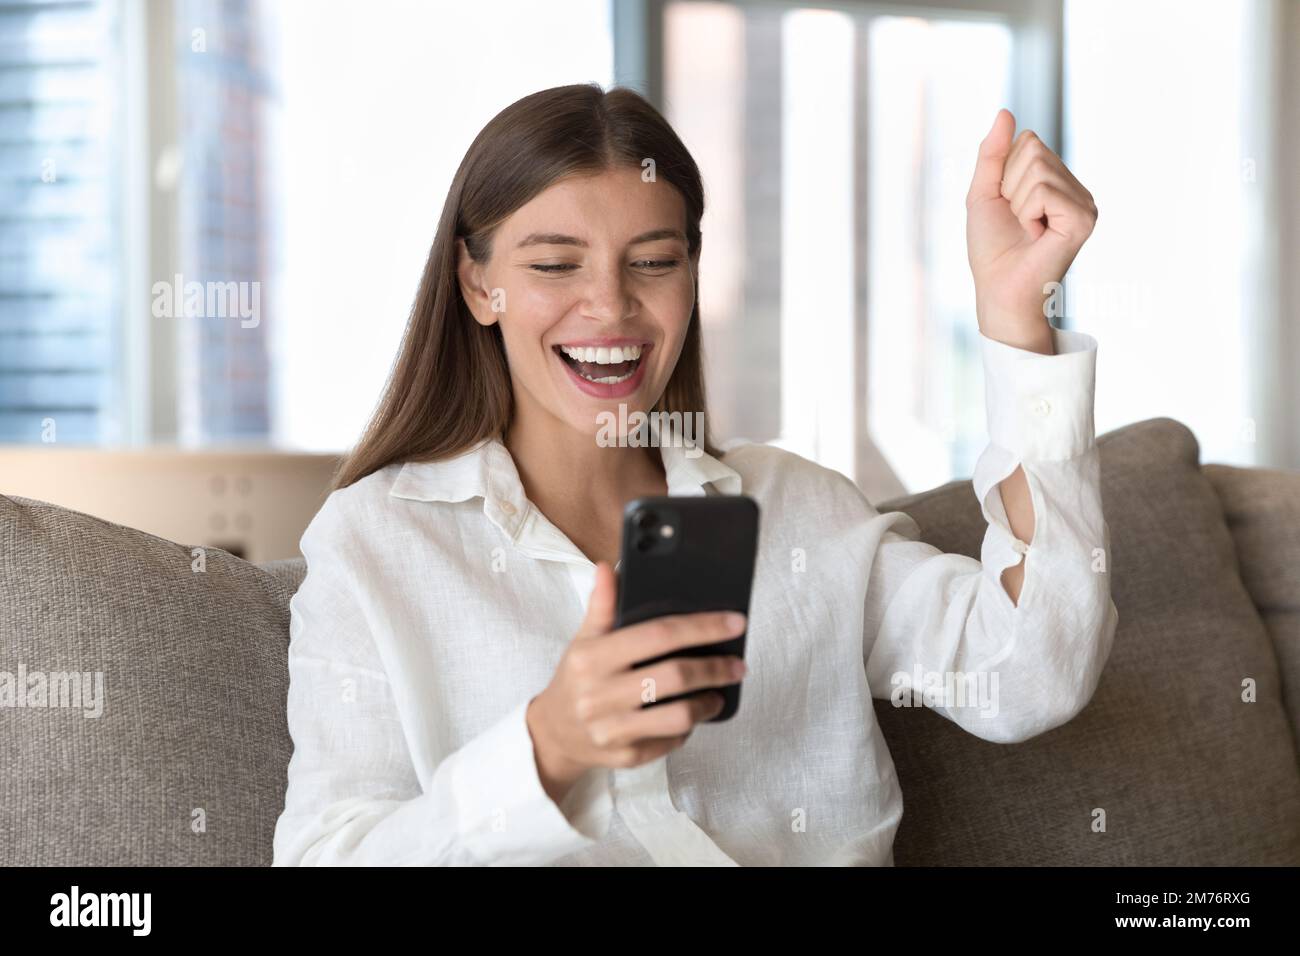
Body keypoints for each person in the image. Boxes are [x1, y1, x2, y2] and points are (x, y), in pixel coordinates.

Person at [272, 83, 1116, 866]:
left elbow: (1029, 676)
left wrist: (1015, 322)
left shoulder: (795, 511)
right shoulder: (376, 545)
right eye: (555, 264)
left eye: (652, 260)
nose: (609, 306)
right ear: (477, 283)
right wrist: (549, 750)